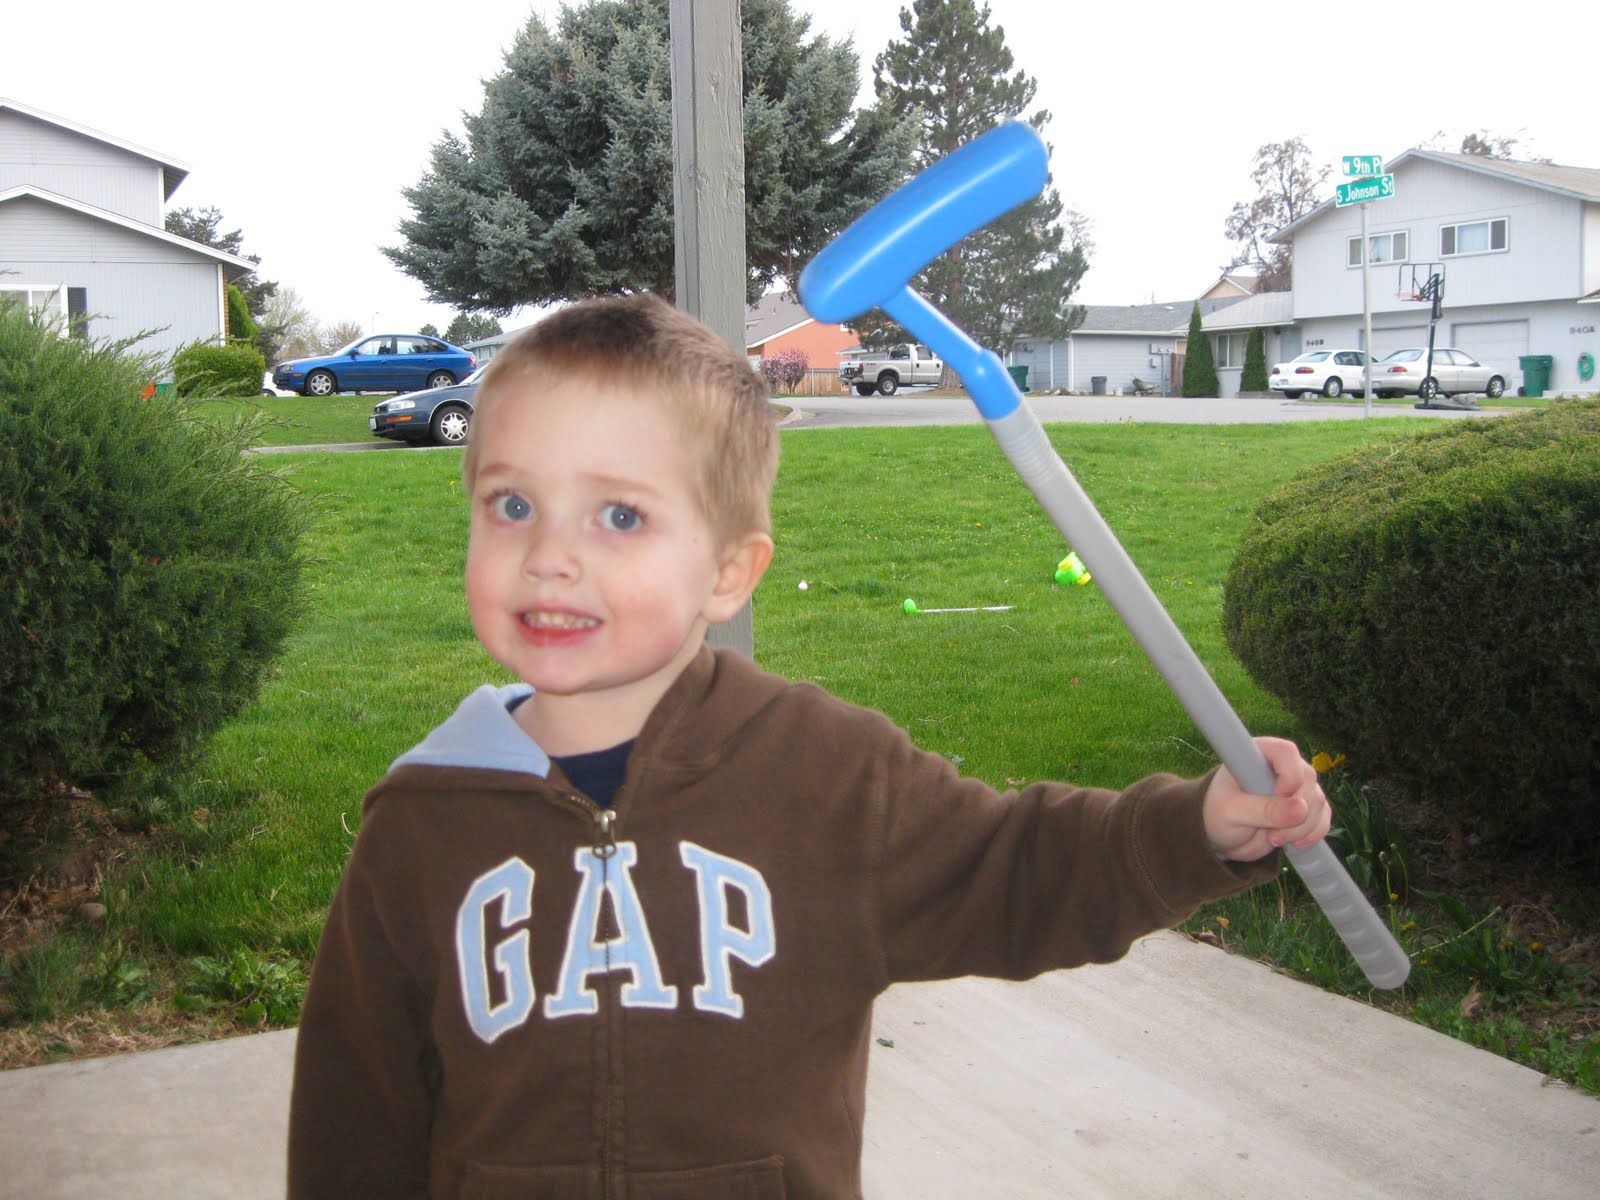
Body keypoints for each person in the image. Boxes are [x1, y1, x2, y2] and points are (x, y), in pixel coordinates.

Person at [288, 293, 1330, 1199]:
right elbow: (357, 1108)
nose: (549, 556)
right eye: (512, 504)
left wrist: (1194, 828)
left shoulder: (828, 777)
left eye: (619, 515)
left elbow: (1017, 866)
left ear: (728, 573)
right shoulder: (423, 819)